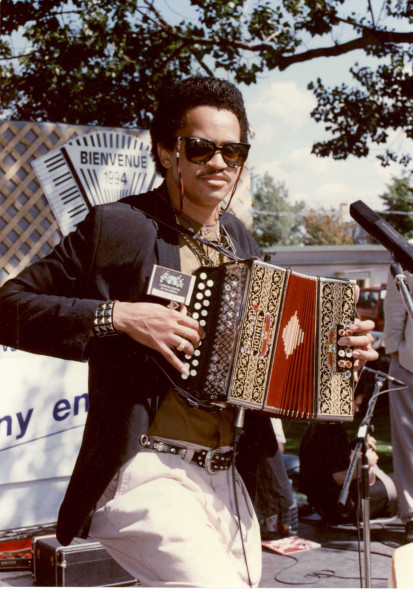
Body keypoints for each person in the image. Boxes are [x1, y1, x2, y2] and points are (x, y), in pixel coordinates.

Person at [0, 76, 378, 587]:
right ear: (165, 151)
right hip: (147, 469)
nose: (219, 164)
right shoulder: (119, 226)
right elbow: (9, 306)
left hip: (231, 475)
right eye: (200, 148)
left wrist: (337, 358)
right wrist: (121, 316)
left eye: (233, 150)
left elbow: (269, 374)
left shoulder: (242, 241)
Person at [298, 392, 397, 525]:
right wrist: (367, 462)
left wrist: (359, 445)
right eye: (356, 405)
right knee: (401, 481)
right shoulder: (334, 431)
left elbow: (332, 462)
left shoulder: (316, 426)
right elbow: (339, 477)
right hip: (342, 508)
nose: (356, 410)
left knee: (394, 480)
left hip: (322, 506)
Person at [384, 267, 413, 543]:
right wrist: (395, 356)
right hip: (409, 365)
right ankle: (412, 515)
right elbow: (394, 312)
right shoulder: (406, 253)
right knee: (407, 443)